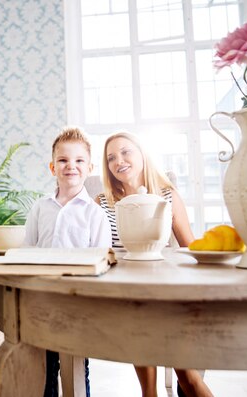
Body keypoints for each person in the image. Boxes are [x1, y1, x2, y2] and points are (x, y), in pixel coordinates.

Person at [97, 131, 213, 397]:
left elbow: (189, 247)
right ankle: (150, 392)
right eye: (111, 157)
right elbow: (99, 251)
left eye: (126, 152)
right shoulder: (102, 203)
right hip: (125, 293)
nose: (119, 161)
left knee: (189, 379)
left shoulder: (167, 195)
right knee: (143, 324)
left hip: (165, 291)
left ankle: (181, 384)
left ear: (141, 154)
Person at [23, 127, 112, 397]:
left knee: (75, 364)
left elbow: (103, 259)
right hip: (44, 298)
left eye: (78, 160)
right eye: (63, 160)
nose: (70, 166)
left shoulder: (95, 214)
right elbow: (28, 250)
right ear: (53, 167)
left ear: (89, 168)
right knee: (45, 364)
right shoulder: (40, 208)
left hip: (78, 301)